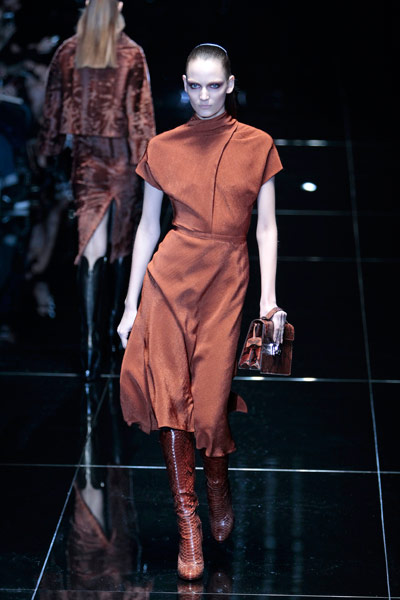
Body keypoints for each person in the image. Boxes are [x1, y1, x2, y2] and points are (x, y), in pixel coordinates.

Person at [118, 43, 287, 580]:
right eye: (196, 86)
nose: (205, 96)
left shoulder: (258, 145)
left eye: (215, 85)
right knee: (170, 401)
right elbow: (147, 226)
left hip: (227, 280)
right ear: (185, 85)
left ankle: (217, 482)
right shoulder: (163, 146)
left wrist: (268, 298)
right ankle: (187, 521)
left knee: (210, 409)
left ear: (230, 84)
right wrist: (130, 304)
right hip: (170, 280)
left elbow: (266, 228)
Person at [38, 0, 155, 378]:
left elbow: (52, 110)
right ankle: (111, 333)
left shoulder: (68, 51)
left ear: (87, 4)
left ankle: (89, 346)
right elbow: (141, 117)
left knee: (93, 249)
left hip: (87, 162)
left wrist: (48, 151)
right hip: (124, 162)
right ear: (119, 5)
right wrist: (151, 166)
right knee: (120, 247)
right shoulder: (131, 53)